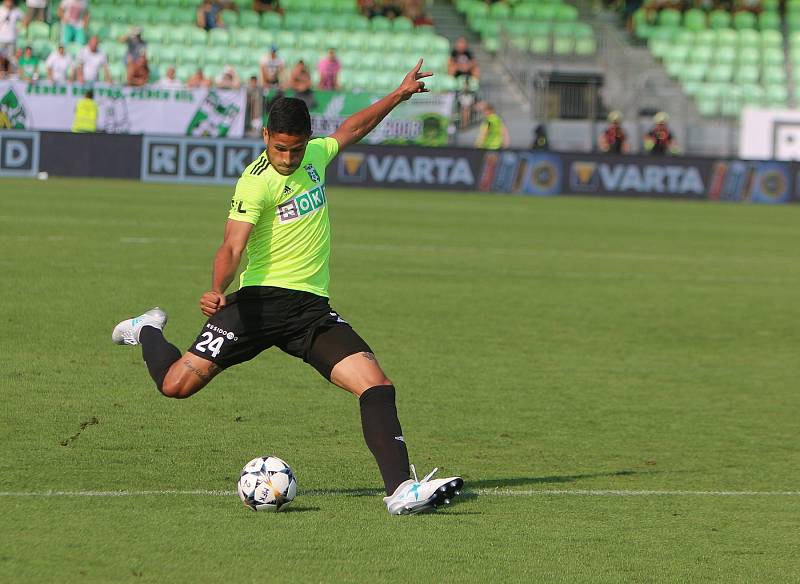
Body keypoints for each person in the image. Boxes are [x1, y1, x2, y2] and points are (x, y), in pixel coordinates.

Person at [111, 60, 463, 517]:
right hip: (256, 306)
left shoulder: (315, 155)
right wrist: (217, 287)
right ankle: (147, 329)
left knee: (377, 386)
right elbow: (232, 245)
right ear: (265, 138)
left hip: (310, 312)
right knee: (175, 386)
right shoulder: (254, 183)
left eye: (296, 150)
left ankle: (400, 491)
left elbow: (355, 126)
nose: (288, 158)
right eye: (280, 149)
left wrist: (398, 95)